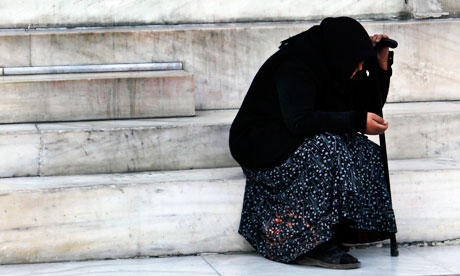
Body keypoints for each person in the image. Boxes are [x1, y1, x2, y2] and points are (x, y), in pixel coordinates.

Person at [229, 17, 397, 269]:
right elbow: (299, 120)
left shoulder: (335, 65)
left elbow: (370, 108)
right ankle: (307, 241)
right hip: (261, 144)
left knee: (363, 150)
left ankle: (348, 229)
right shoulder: (295, 63)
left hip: (294, 136)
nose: (360, 69)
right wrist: (356, 120)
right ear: (342, 52)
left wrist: (381, 65)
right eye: (359, 63)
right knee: (328, 148)